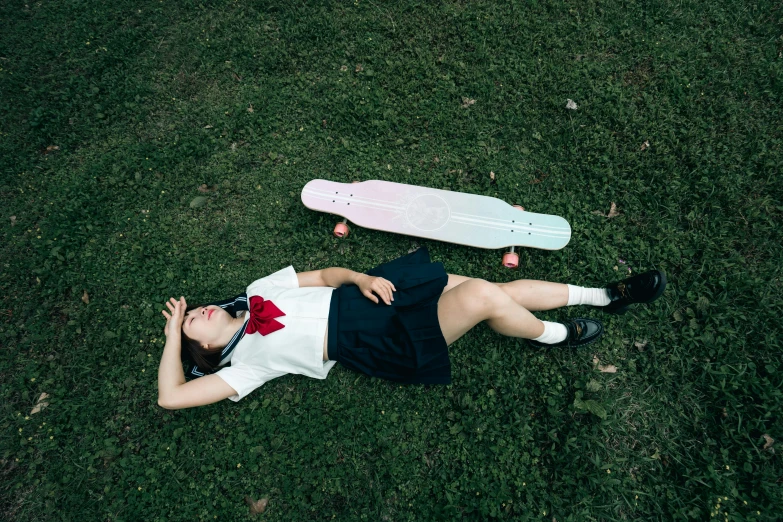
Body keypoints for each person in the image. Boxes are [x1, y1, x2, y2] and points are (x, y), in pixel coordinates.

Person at [157, 248, 666, 410]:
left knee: (492, 289)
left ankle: (604, 295)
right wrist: (169, 337)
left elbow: (326, 276)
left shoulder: (256, 290)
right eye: (191, 323)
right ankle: (559, 335)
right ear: (200, 346)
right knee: (484, 295)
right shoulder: (245, 366)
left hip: (375, 293)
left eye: (193, 309)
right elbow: (170, 397)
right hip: (376, 340)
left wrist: (361, 276)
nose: (197, 310)